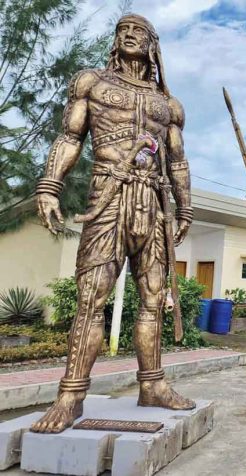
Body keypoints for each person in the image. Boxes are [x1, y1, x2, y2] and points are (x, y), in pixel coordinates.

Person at [31, 14, 194, 434]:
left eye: (139, 31)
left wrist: (185, 207)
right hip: (108, 193)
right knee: (93, 296)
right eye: (123, 30)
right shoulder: (93, 83)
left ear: (154, 45)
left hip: (154, 202)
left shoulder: (168, 105)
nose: (129, 35)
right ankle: (70, 396)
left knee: (154, 297)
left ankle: (153, 385)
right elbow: (69, 137)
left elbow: (177, 161)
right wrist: (50, 184)